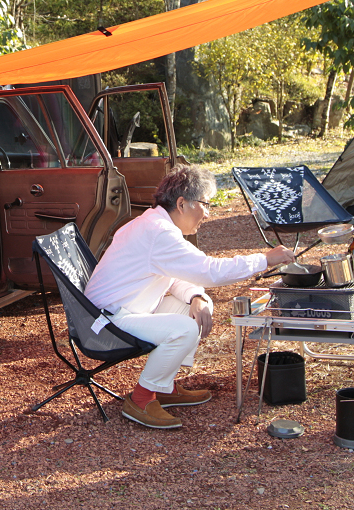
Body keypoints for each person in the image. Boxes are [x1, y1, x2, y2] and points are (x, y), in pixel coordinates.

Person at [84, 164, 296, 429]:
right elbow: (210, 271)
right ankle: (140, 399)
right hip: (104, 323)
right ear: (182, 203)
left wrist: (196, 295)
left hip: (122, 311)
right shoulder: (158, 232)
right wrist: (264, 259)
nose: (207, 213)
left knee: (193, 309)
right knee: (184, 327)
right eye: (205, 203)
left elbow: (174, 276)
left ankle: (163, 387)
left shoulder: (155, 224)